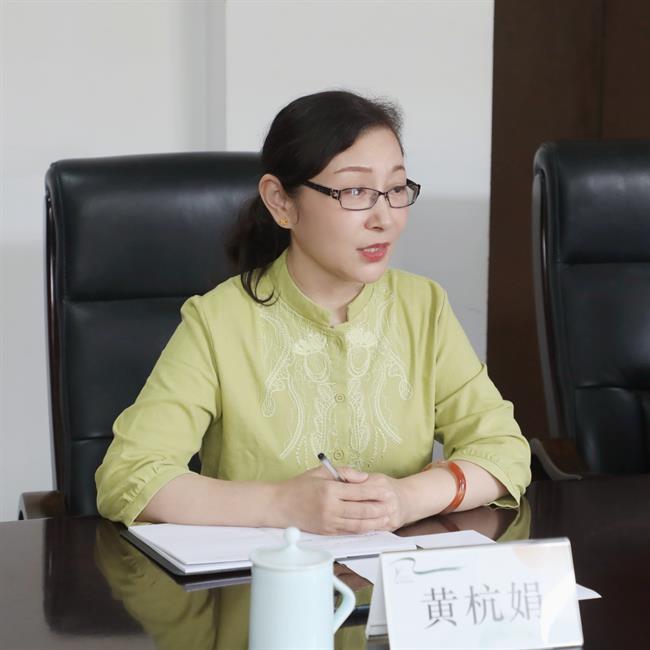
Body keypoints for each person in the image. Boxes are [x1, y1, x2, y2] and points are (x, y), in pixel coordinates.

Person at [95, 90, 531, 534]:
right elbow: (129, 476)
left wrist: (405, 499)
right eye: (356, 191)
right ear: (281, 201)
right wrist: (281, 504)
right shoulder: (218, 321)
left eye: (396, 189)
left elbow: (503, 450)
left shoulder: (423, 307)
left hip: (395, 573)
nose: (385, 218)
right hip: (261, 575)